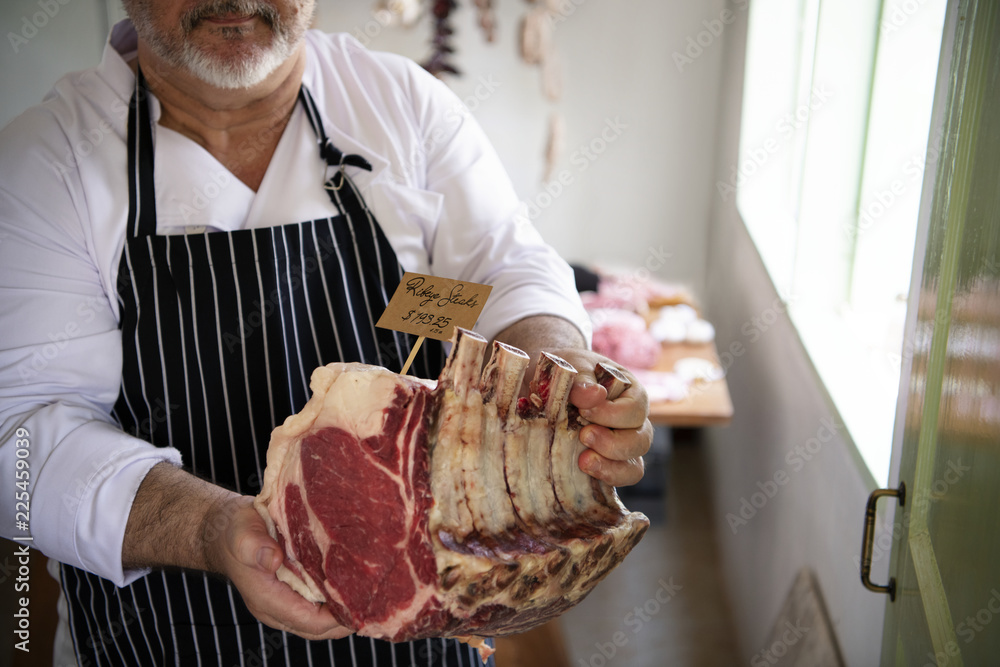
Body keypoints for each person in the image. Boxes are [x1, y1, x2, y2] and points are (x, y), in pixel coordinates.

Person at [0, 0, 652, 665]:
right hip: (166, 639)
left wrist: (562, 375)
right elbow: (18, 435)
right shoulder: (45, 164)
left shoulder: (399, 103)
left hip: (417, 623)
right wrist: (211, 530)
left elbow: (508, 268)